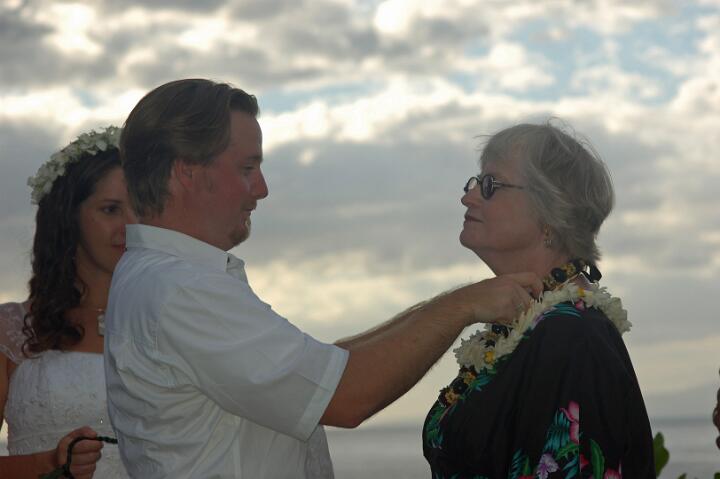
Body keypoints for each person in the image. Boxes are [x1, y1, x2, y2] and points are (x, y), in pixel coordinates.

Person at [103, 78, 543, 479]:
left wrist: (448, 305)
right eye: (247, 168)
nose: (262, 188)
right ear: (186, 172)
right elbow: (346, 398)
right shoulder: (182, 290)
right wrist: (465, 305)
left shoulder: (162, 279)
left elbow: (322, 372)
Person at [422, 121, 656, 478]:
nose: (468, 197)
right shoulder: (529, 324)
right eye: (475, 183)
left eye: (490, 185)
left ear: (550, 213)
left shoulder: (572, 337)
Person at [0, 127, 136, 479]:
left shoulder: (171, 324)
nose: (131, 226)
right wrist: (50, 464)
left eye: (141, 209)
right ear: (68, 217)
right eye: (111, 209)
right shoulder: (11, 330)